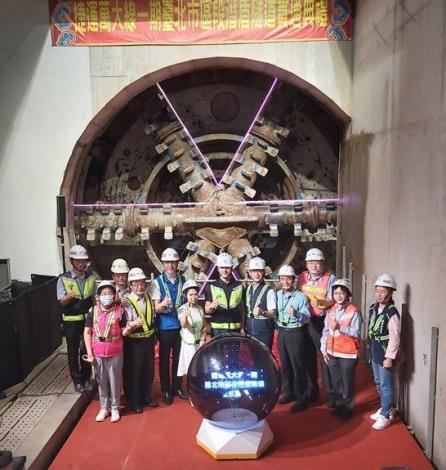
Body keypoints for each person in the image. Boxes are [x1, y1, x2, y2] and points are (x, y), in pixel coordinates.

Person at [84, 281, 127, 423]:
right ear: (98, 296)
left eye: (110, 293)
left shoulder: (120, 311)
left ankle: (115, 407)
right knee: (101, 380)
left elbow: (123, 330)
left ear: (114, 295)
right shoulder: (92, 311)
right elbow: (87, 333)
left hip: (115, 350)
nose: (107, 296)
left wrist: (131, 327)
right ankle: (104, 407)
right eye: (104, 293)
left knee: (115, 380)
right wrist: (90, 353)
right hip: (98, 351)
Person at [298, 248, 336, 405]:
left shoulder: (330, 278)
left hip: (321, 322)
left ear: (322, 263)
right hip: (304, 321)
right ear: (307, 264)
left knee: (324, 357)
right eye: (310, 262)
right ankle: (311, 390)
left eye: (317, 262)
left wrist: (321, 303)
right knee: (307, 357)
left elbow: (334, 299)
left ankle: (332, 394)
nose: (313, 265)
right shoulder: (302, 277)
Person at [320, 279, 362, 420]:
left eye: (341, 293)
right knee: (336, 381)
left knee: (347, 382)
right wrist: (323, 348)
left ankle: (348, 408)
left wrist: (341, 328)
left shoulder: (354, 311)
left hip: (348, 353)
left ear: (347, 294)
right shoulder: (331, 310)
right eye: (336, 293)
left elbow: (357, 333)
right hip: (332, 352)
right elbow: (326, 330)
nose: (338, 296)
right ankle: (339, 405)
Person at [56, 245, 95, 393]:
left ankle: (86, 378)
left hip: (86, 319)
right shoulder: (63, 279)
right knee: (72, 351)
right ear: (72, 261)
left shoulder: (90, 277)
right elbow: (61, 301)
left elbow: (93, 298)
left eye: (83, 261)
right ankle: (77, 381)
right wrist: (68, 296)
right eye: (78, 261)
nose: (81, 264)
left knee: (85, 349)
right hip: (71, 320)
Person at [152, 248, 186, 405]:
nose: (170, 266)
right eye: (167, 262)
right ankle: (166, 389)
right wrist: (162, 304)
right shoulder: (157, 282)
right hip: (165, 327)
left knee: (179, 359)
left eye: (172, 262)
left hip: (181, 327)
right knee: (164, 360)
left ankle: (177, 387)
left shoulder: (184, 280)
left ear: (177, 263)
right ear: (163, 264)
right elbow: (155, 309)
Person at [276, 264, 311, 413]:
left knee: (297, 365)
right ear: (279, 280)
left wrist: (297, 314)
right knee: (285, 364)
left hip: (296, 333)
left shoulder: (301, 297)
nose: (285, 281)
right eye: (282, 279)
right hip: (282, 332)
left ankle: (301, 397)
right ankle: (288, 392)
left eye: (288, 278)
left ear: (293, 280)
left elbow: (307, 318)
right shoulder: (277, 295)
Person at [368, 273, 400, 430]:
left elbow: (395, 337)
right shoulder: (374, 308)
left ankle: (386, 414)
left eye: (383, 291)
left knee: (386, 385)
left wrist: (389, 357)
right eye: (377, 290)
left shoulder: (392, 313)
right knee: (378, 382)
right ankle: (385, 407)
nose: (379, 294)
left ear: (390, 292)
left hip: (385, 351)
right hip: (374, 349)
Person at [123, 267, 158, 413]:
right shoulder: (127, 301)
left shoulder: (148, 297)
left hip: (148, 340)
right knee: (135, 372)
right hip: (134, 342)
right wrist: (131, 325)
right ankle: (135, 401)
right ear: (130, 285)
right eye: (136, 283)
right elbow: (125, 323)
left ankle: (146, 396)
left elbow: (152, 317)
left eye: (142, 283)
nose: (140, 286)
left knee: (148, 371)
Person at [204, 252, 245, 337]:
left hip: (235, 329)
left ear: (232, 268)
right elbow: (207, 310)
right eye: (222, 267)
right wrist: (211, 307)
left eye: (227, 268)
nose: (225, 270)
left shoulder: (239, 286)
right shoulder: (211, 286)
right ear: (218, 269)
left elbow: (243, 310)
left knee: (235, 351)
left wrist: (242, 327)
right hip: (217, 330)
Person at [177, 280, 207, 390]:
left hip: (199, 343)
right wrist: (184, 317)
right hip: (189, 344)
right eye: (190, 294)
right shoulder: (182, 309)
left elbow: (204, 325)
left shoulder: (200, 309)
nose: (193, 297)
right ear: (186, 295)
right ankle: (191, 390)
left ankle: (198, 389)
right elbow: (183, 325)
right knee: (191, 368)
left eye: (195, 294)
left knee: (199, 368)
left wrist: (203, 339)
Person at [245, 257, 276, 349]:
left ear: (264, 272)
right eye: (254, 271)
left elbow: (273, 314)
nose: (257, 274)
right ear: (249, 273)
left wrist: (262, 312)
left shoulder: (270, 291)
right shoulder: (247, 289)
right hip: (250, 331)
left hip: (264, 332)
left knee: (264, 358)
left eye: (259, 271)